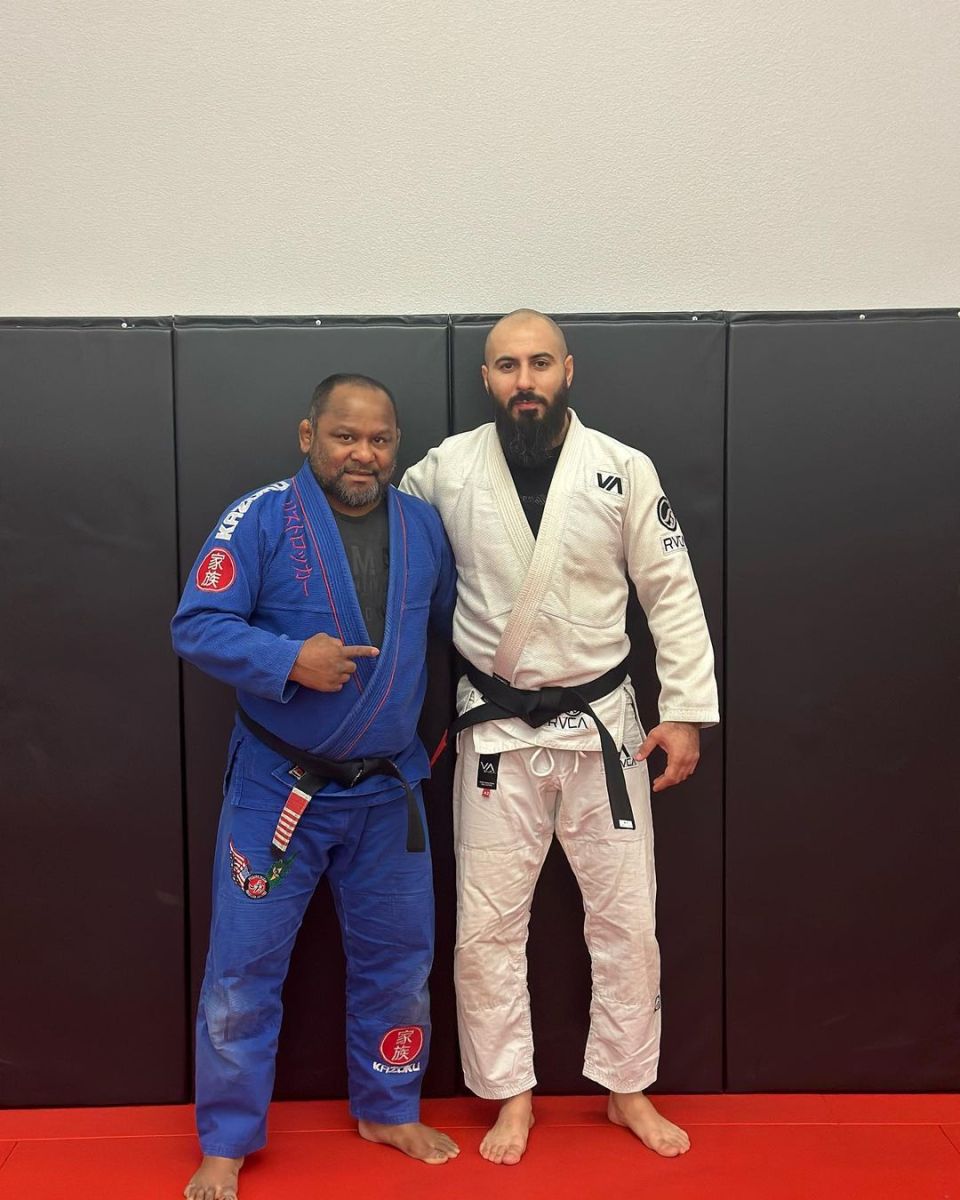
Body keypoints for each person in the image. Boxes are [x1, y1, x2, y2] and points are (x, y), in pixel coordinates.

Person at [401, 310, 719, 1165]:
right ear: (486, 379)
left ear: (567, 370)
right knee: (486, 928)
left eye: (539, 363)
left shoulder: (622, 468)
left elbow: (671, 589)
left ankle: (627, 1088)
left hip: (605, 730)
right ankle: (511, 1095)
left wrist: (685, 709)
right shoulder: (445, 470)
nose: (524, 380)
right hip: (495, 732)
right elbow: (383, 539)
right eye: (507, 366)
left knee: (627, 921)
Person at [172, 374, 460, 1200]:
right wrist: (287, 659)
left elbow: (446, 634)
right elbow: (196, 624)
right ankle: (227, 1141)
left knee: (399, 962)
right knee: (242, 970)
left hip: (388, 792)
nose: (363, 454)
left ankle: (387, 1107)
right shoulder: (259, 517)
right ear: (309, 437)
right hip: (279, 787)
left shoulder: (422, 526)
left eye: (379, 440)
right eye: (345, 436)